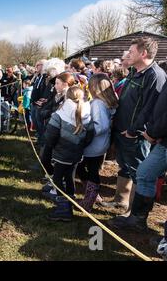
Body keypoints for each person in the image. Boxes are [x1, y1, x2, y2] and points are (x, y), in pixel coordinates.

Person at [102, 38, 167, 213]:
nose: (127, 54)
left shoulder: (155, 76)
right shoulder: (134, 71)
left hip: (135, 136)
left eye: (131, 52)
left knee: (139, 172)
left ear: (143, 53)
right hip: (122, 130)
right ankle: (120, 200)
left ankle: (133, 212)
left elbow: (150, 109)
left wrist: (133, 131)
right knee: (124, 166)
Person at [108, 80, 167, 230]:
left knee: (144, 172)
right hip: (162, 138)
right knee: (145, 174)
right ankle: (138, 219)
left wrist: (153, 132)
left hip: (159, 136)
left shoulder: (154, 76)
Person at [45, 86, 94, 221]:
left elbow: (50, 135)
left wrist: (53, 147)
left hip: (61, 153)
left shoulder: (60, 113)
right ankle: (69, 202)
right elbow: (90, 134)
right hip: (76, 154)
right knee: (69, 178)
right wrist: (80, 146)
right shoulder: (87, 112)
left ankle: (64, 209)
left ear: (67, 97)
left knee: (57, 179)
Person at [77, 74, 118, 213]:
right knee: (89, 169)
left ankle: (90, 199)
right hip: (101, 143)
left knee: (84, 168)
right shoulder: (108, 101)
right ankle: (94, 196)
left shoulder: (98, 104)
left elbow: (101, 126)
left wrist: (84, 130)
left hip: (94, 144)